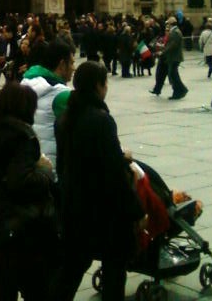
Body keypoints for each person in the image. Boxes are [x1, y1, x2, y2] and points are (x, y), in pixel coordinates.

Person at [54, 61, 146, 300]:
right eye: (105, 83)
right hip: (104, 211)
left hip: (75, 207)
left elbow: (64, 164)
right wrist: (136, 210)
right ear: (98, 86)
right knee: (114, 270)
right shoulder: (101, 120)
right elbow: (114, 173)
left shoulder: (64, 118)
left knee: (71, 270)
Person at [0, 82, 59, 301]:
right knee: (38, 292)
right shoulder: (21, 138)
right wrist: (44, 171)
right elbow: (21, 181)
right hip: (19, 232)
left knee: (3, 293)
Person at [21, 39, 75, 170]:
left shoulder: (26, 82)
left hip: (30, 162)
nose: (74, 68)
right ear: (62, 65)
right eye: (72, 63)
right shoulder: (62, 94)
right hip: (53, 166)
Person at [150, 17, 188, 99]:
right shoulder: (174, 31)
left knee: (173, 75)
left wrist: (162, 52)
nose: (167, 25)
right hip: (172, 57)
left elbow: (172, 45)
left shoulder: (175, 32)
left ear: (171, 24)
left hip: (174, 57)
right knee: (173, 75)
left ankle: (180, 91)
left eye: (168, 23)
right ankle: (179, 91)